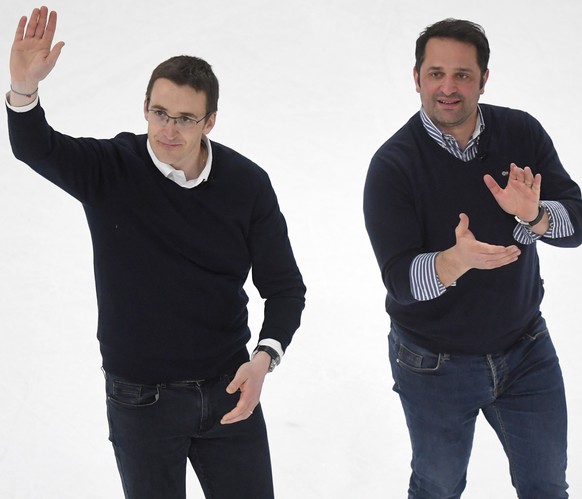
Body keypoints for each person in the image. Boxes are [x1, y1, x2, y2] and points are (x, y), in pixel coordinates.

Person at [7, 6, 306, 499]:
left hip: (228, 388)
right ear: (144, 106)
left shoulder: (247, 185)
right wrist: (23, 90)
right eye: (160, 113)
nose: (169, 129)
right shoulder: (110, 169)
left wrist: (264, 358)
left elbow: (285, 288)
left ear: (210, 120)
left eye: (186, 118)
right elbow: (36, 147)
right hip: (139, 399)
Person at [364, 18, 582, 499]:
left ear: (484, 78)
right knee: (437, 488)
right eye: (436, 73)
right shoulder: (392, 166)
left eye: (463, 74)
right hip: (432, 364)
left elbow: (577, 222)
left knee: (547, 487)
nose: (448, 87)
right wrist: (453, 261)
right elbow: (399, 279)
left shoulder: (521, 132)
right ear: (416, 77)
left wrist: (536, 216)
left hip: (527, 350)